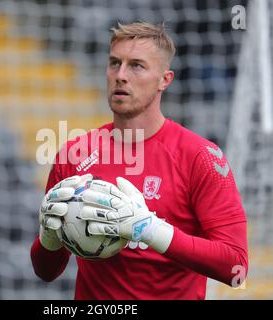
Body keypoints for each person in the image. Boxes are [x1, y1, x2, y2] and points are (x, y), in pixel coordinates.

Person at [30, 22, 248, 300]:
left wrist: (150, 229)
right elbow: (45, 272)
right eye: (114, 63)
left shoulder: (200, 156)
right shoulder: (75, 154)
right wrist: (48, 239)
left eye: (136, 66)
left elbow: (236, 266)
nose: (120, 75)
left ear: (165, 80)